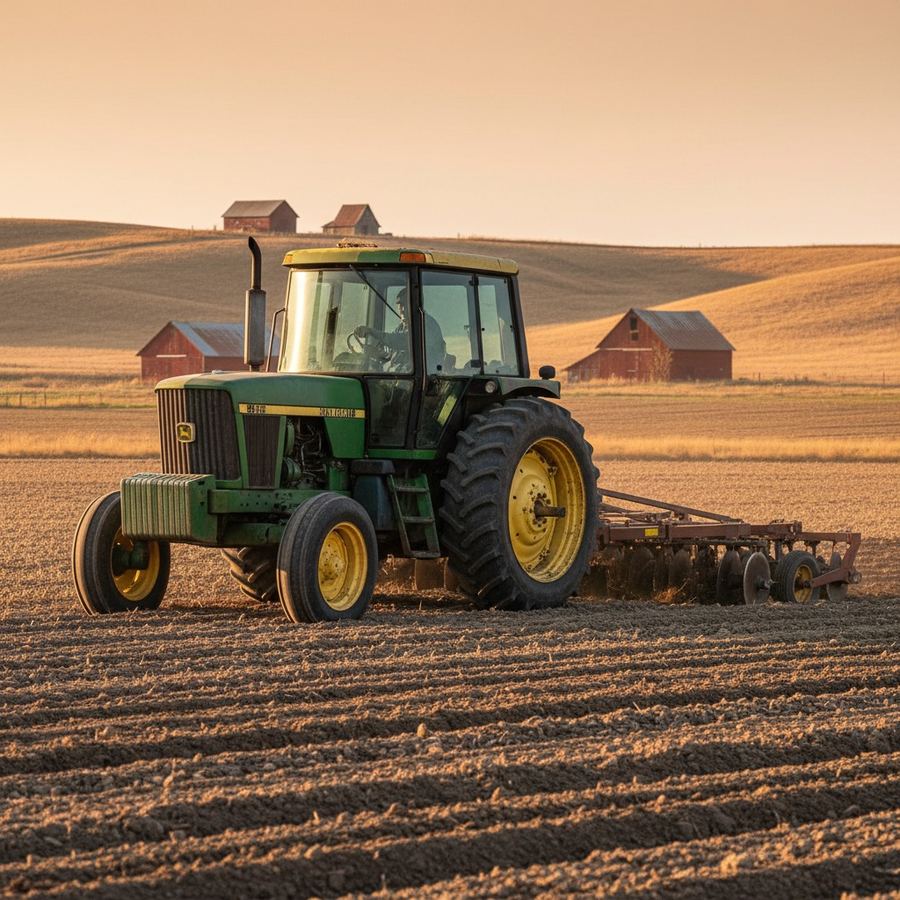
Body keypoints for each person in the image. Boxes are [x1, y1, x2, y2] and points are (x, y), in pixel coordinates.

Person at [354, 287, 446, 372]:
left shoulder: (426, 324)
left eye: (404, 304)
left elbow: (400, 341)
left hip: (426, 379)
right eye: (399, 305)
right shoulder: (402, 327)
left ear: (416, 305)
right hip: (403, 377)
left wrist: (370, 331)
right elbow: (391, 353)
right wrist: (376, 354)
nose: (401, 309)